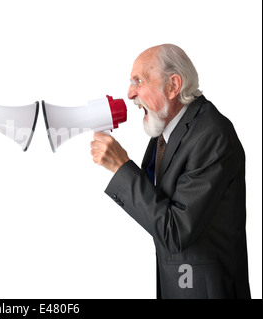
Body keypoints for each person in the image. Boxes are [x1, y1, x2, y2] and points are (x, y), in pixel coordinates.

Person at [91, 44, 251, 299]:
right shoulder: (166, 128)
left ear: (173, 85)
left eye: (139, 81)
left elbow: (176, 231)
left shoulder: (212, 135)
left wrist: (120, 167)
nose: (130, 93)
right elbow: (157, 206)